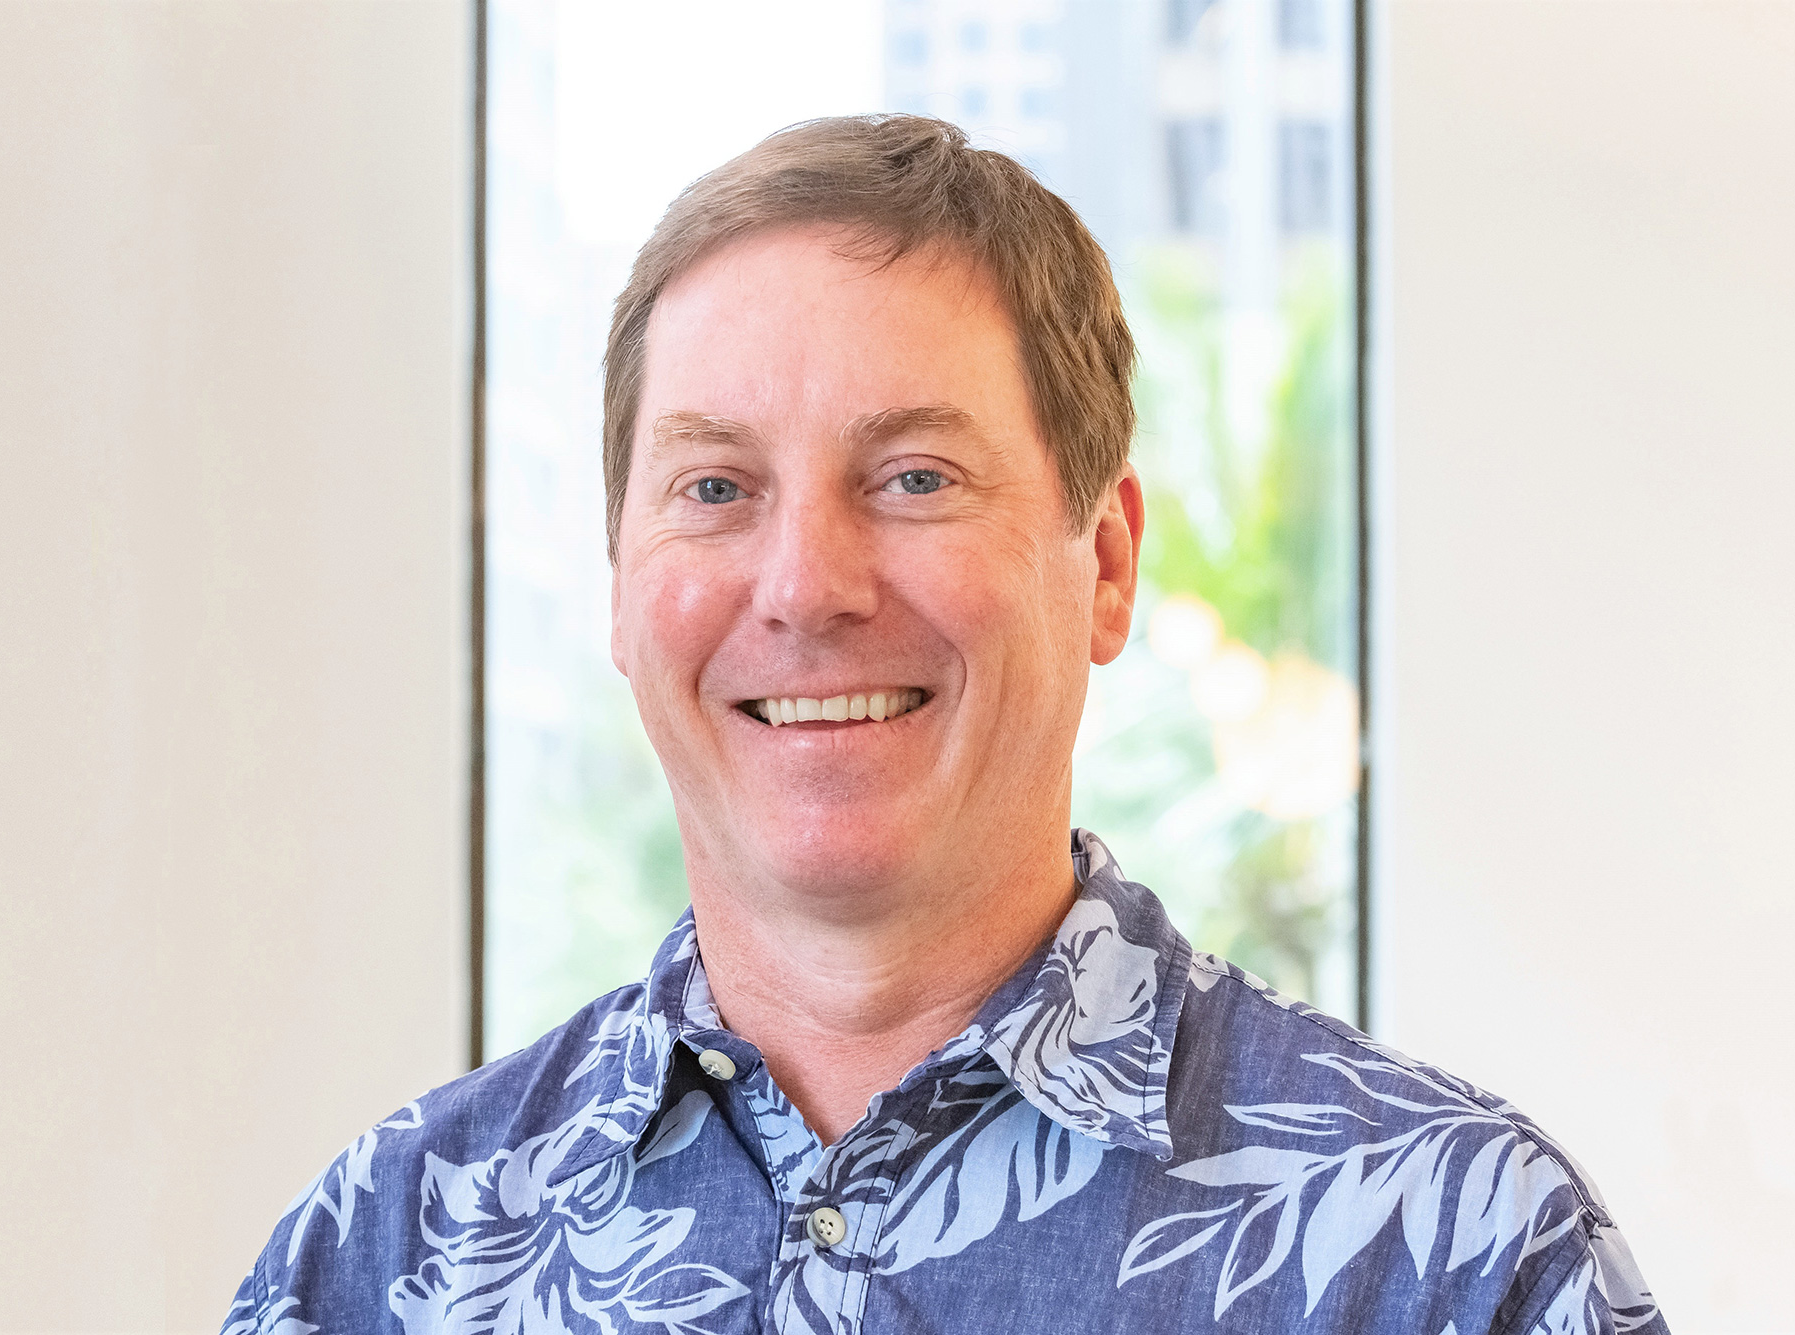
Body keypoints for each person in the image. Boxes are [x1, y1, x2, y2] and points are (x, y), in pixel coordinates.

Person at [226, 115, 1667, 1335]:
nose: (806, 587)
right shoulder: (381, 1261)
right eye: (716, 488)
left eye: (914, 477)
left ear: (1103, 566)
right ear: (621, 591)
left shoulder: (1451, 1258)